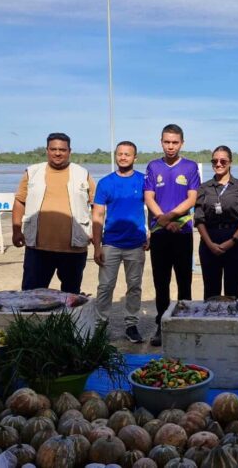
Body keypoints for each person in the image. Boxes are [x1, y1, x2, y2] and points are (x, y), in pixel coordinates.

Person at [12, 132, 95, 294]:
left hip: (74, 249)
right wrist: (16, 230)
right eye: (53, 149)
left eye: (62, 150)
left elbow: (97, 207)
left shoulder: (82, 174)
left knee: (71, 296)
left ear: (69, 151)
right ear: (47, 150)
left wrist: (96, 235)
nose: (57, 153)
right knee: (32, 295)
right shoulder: (32, 172)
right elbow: (20, 201)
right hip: (37, 248)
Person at [144, 124, 200, 346]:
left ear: (182, 143)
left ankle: (184, 324)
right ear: (161, 142)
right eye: (166, 142)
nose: (170, 146)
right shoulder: (153, 166)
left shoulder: (190, 166)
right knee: (161, 283)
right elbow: (149, 197)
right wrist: (163, 220)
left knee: (184, 281)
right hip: (159, 232)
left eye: (175, 142)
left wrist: (171, 217)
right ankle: (162, 325)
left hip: (182, 231)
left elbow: (192, 198)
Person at [92, 141, 149, 343]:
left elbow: (152, 208)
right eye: (120, 154)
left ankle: (131, 325)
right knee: (105, 286)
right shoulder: (105, 183)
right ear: (116, 156)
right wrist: (97, 246)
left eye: (127, 154)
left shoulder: (144, 181)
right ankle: (100, 325)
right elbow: (98, 215)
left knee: (134, 286)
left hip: (136, 243)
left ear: (135, 157)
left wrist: (150, 233)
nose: (123, 157)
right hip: (111, 243)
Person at [194, 145, 238, 299]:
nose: (218, 164)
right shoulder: (204, 188)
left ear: (230, 162)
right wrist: (209, 244)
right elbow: (199, 218)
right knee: (211, 292)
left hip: (236, 241)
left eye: (223, 161)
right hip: (209, 240)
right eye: (214, 161)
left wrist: (232, 241)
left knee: (234, 293)